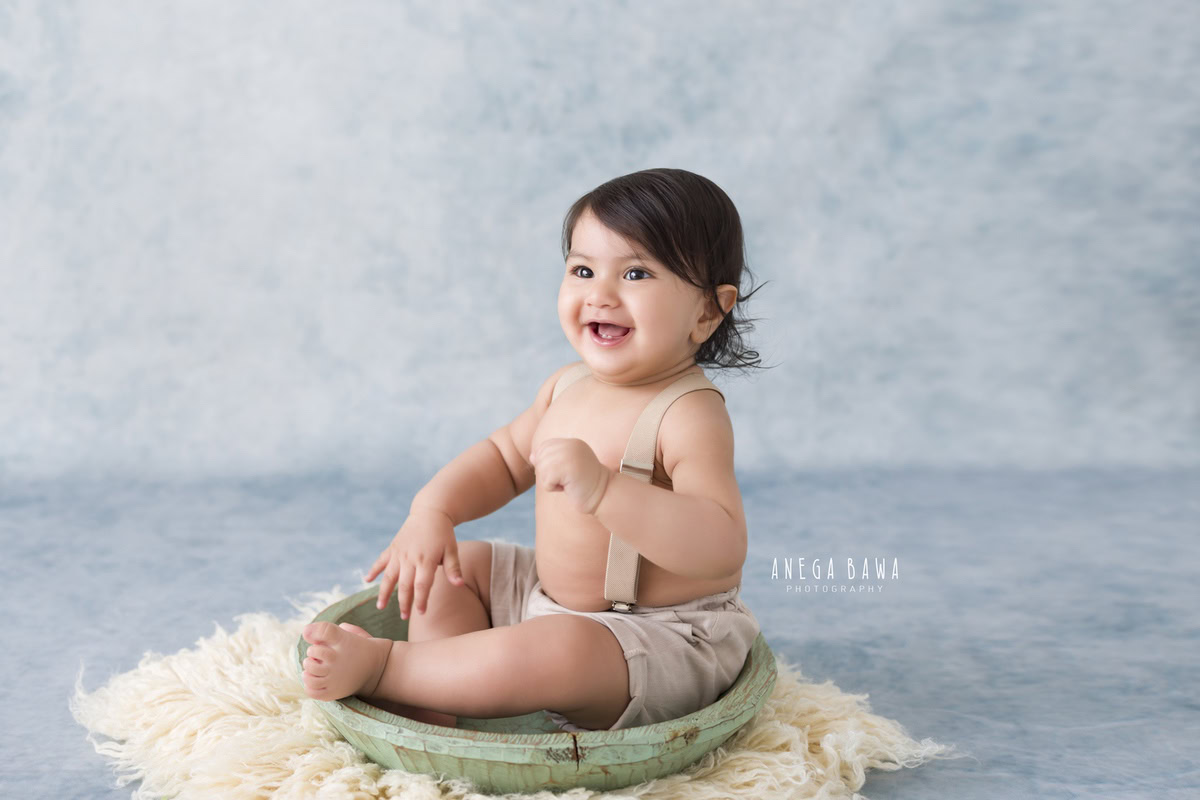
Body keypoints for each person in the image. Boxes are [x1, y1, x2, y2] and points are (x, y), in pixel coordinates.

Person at [301, 168, 769, 732]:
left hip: (657, 636)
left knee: (561, 647)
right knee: (453, 569)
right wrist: (434, 511)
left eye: (637, 272)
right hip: (551, 602)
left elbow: (719, 545)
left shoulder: (688, 413)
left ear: (707, 311)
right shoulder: (565, 387)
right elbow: (501, 459)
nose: (600, 293)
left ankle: (390, 670)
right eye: (583, 269)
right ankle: (438, 701)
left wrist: (605, 489)